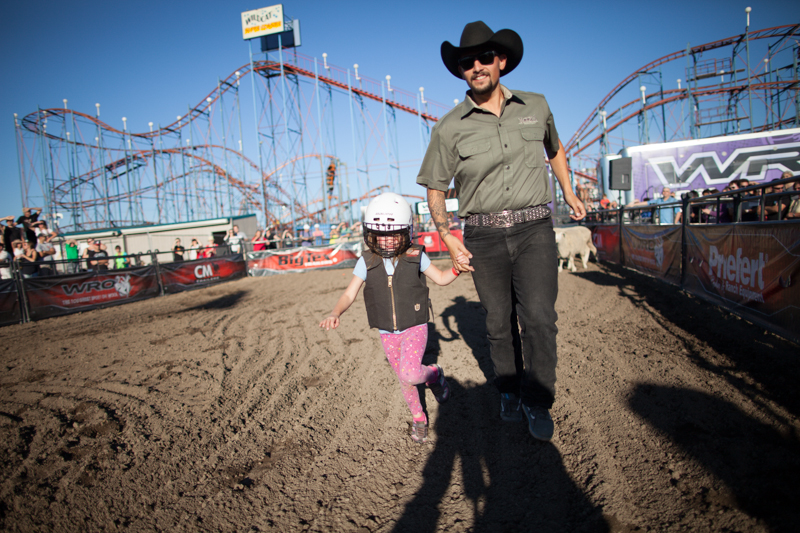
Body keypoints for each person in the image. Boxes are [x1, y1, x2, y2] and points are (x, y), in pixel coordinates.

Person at [416, 21, 586, 442]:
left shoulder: (537, 105)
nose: (476, 66)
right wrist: (448, 235)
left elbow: (555, 148)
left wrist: (568, 189)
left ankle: (538, 400)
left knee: (540, 319)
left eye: (484, 58)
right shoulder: (449, 127)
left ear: (501, 61)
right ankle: (510, 391)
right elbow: (435, 188)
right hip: (483, 236)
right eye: (466, 61)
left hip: (533, 229)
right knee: (497, 322)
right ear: (460, 70)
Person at [320, 193, 461, 443]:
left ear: (405, 232)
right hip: (387, 333)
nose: (386, 240)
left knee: (410, 373)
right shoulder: (366, 261)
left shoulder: (416, 255)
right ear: (370, 234)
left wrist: (456, 268)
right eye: (380, 235)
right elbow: (349, 293)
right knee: (405, 381)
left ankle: (434, 374)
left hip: (415, 326)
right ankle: (419, 418)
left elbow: (440, 278)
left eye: (393, 234)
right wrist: (335, 312)